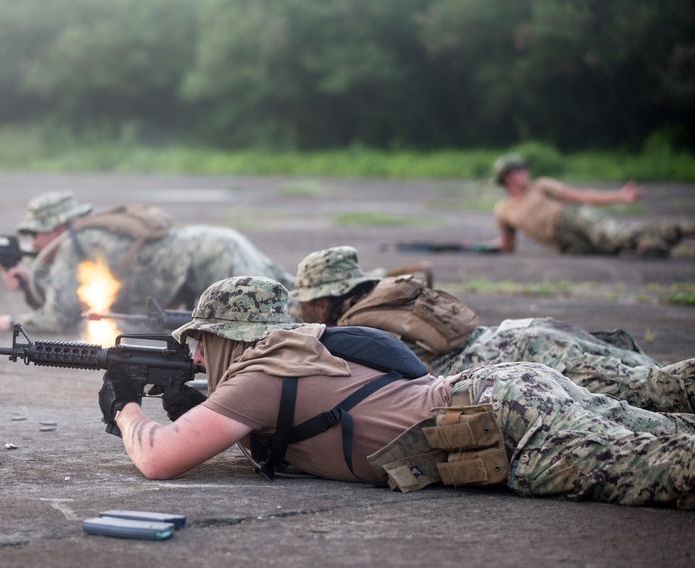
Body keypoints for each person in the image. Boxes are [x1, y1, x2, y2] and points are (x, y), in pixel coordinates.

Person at [97, 275, 695, 509]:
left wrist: (126, 407)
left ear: (231, 336)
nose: (196, 354)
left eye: (202, 340)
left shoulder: (258, 377)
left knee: (670, 470)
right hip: (504, 390)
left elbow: (158, 458)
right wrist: (197, 405)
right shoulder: (299, 347)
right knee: (672, 431)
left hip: (496, 423)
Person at [290, 246, 694, 413]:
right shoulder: (384, 292)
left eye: (307, 303)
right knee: (653, 377)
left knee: (656, 389)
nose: (304, 311)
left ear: (324, 301)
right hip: (532, 334)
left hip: (534, 361)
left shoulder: (355, 327)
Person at [0, 191, 295, 334]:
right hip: (213, 244)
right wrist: (30, 285)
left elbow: (58, 319)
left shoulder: (74, 244)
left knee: (284, 319)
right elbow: (75, 300)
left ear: (58, 228)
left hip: (207, 256)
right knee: (295, 294)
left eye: (36, 233)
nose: (33, 242)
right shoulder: (90, 234)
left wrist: (9, 321)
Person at [491, 153, 694, 256]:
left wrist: (618, 196)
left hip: (572, 217)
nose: (526, 172)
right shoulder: (503, 210)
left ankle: (681, 230)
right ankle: (648, 243)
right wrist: (487, 247)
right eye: (520, 169)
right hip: (565, 244)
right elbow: (508, 245)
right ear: (507, 177)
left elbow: (580, 195)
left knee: (612, 236)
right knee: (611, 246)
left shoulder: (541, 185)